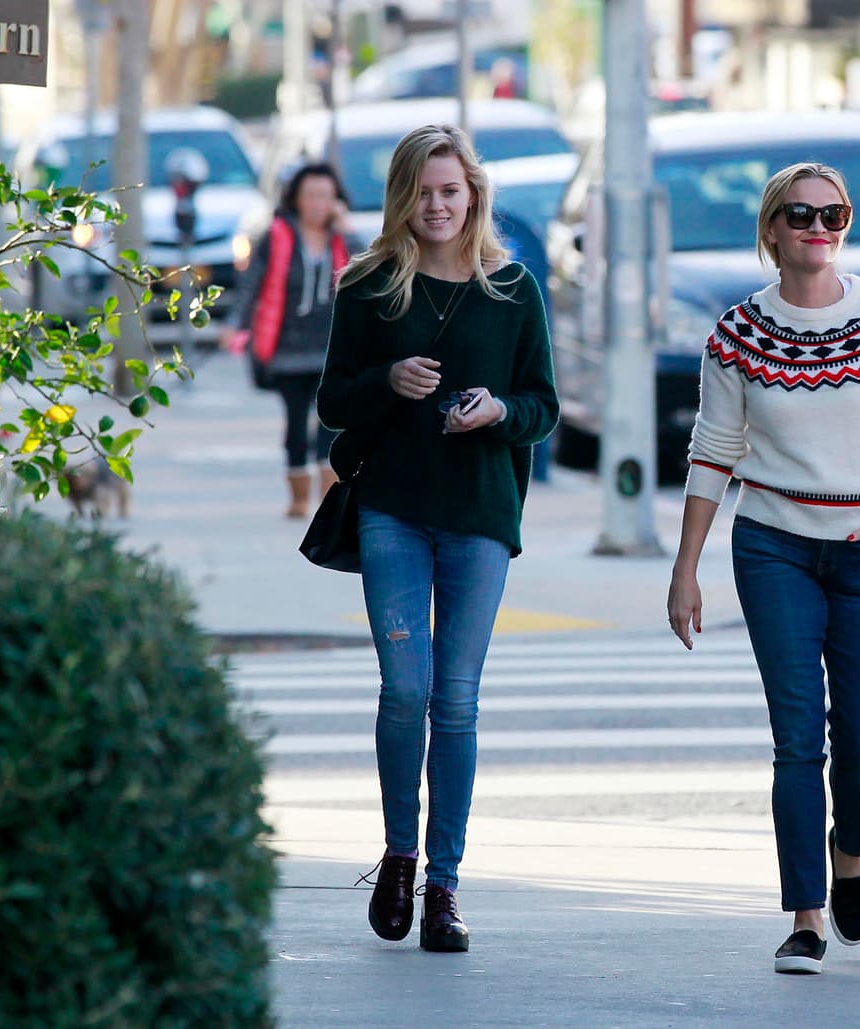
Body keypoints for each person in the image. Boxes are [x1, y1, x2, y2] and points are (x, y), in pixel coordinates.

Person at [666, 163, 860, 975]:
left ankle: (851, 848)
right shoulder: (735, 334)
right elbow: (714, 450)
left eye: (833, 212)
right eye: (800, 215)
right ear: (772, 232)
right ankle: (804, 915)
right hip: (773, 548)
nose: (818, 226)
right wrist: (685, 567)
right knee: (797, 738)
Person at [315, 125, 558, 953]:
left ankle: (445, 885)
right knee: (403, 690)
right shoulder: (370, 286)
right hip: (391, 508)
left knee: (455, 700)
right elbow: (333, 402)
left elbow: (544, 406)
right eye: (422, 192)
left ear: (474, 195)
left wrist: (499, 414)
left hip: (481, 514)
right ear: (401, 198)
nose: (437, 206)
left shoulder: (513, 289)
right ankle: (399, 853)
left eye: (450, 191)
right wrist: (388, 381)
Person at [225, 162, 357, 519]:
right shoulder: (278, 234)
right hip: (286, 349)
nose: (318, 203)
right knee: (296, 421)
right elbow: (252, 282)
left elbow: (368, 271)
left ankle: (329, 497)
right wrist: (236, 323)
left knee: (331, 421)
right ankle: (299, 498)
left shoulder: (342, 237)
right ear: (296, 198)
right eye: (310, 195)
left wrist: (348, 228)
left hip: (332, 348)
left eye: (325, 196)